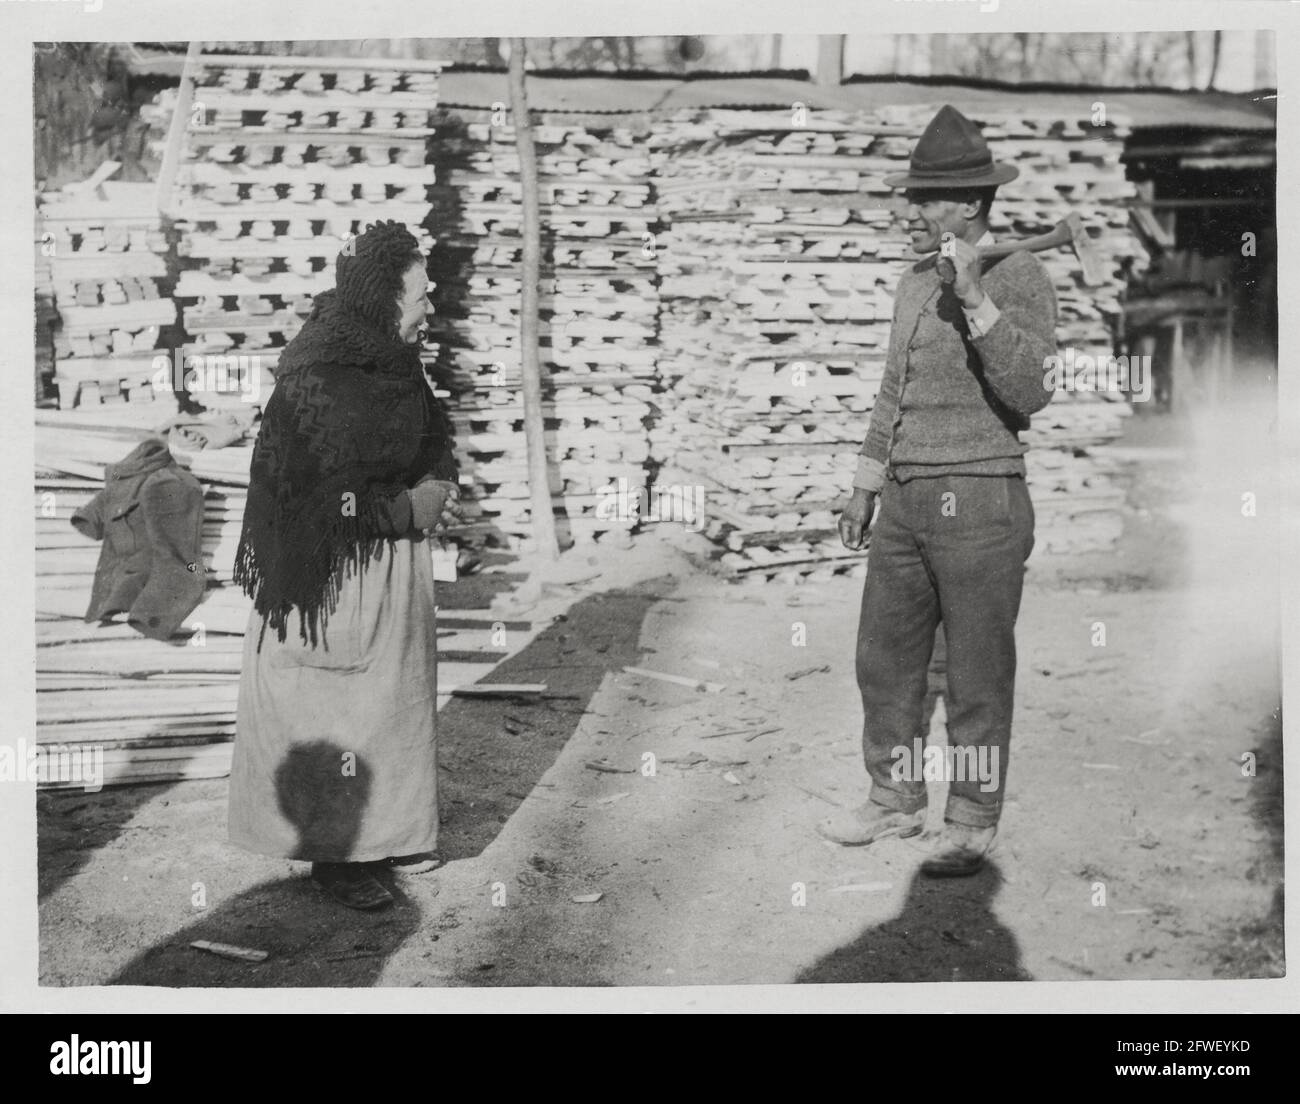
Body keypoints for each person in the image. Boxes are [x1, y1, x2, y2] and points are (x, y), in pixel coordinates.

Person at [819, 105, 1058, 876]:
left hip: (984, 501)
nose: (910, 211)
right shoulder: (911, 283)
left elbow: (1030, 390)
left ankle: (972, 817)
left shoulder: (1020, 275)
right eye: (910, 196)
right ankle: (893, 801)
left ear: (971, 206)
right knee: (884, 661)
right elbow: (893, 391)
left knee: (977, 672)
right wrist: (863, 484)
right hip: (906, 500)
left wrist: (978, 302)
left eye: (926, 199)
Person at [229, 220, 462, 910]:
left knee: (390, 707)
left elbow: (431, 439)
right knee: (335, 709)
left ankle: (388, 834)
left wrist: (438, 483)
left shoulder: (395, 363)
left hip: (390, 570)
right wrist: (401, 512)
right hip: (328, 578)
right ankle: (335, 856)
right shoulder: (318, 379)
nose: (430, 306)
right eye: (421, 295)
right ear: (382, 298)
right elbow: (307, 500)